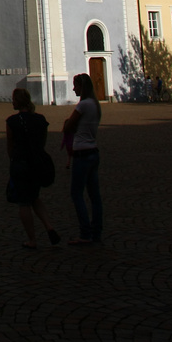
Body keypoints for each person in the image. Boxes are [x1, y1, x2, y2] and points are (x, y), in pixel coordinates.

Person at [6, 88, 60, 249]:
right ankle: (49, 226)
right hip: (37, 162)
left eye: (14, 99)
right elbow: (42, 142)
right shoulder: (41, 120)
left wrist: (13, 160)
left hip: (21, 163)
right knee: (34, 197)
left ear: (18, 101)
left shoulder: (12, 121)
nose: (12, 102)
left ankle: (32, 239)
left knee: (24, 203)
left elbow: (10, 145)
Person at [63, 73, 102, 245]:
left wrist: (67, 124)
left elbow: (68, 126)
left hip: (82, 153)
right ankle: (97, 231)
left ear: (82, 87)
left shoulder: (83, 105)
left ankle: (85, 233)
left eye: (76, 86)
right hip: (93, 151)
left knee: (77, 194)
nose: (73, 88)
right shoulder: (95, 105)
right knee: (95, 196)